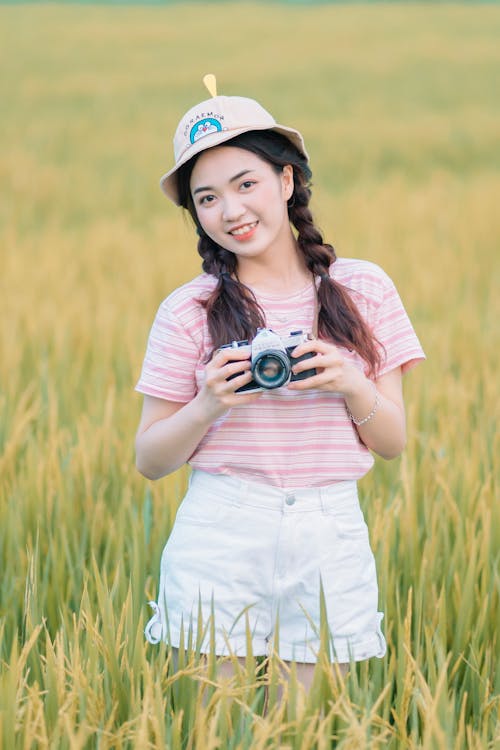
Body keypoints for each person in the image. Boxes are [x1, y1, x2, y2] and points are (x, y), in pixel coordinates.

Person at [135, 75, 425, 692]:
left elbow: (394, 441)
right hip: (220, 529)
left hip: (329, 531)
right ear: (194, 212)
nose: (232, 211)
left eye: (247, 184)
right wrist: (207, 405)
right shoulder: (189, 310)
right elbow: (150, 459)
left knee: (311, 726)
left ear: (286, 181)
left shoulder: (364, 289)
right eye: (207, 197)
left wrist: (351, 383)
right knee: (219, 725)